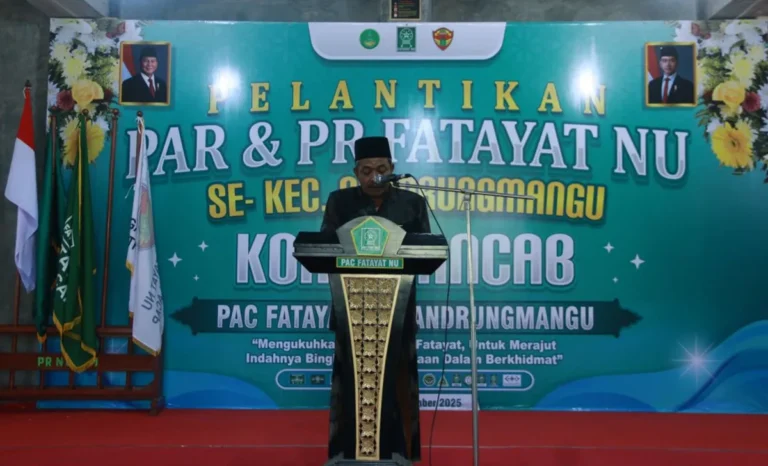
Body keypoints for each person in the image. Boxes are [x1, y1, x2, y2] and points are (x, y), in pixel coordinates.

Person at [320, 136, 430, 463]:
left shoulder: (412, 203)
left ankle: (402, 453)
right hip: (352, 312)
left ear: (392, 168)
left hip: (397, 312)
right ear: (355, 172)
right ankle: (345, 452)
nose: (374, 176)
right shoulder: (340, 202)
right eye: (366, 171)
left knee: (399, 382)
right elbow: (324, 248)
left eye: (381, 169)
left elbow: (426, 250)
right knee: (350, 383)